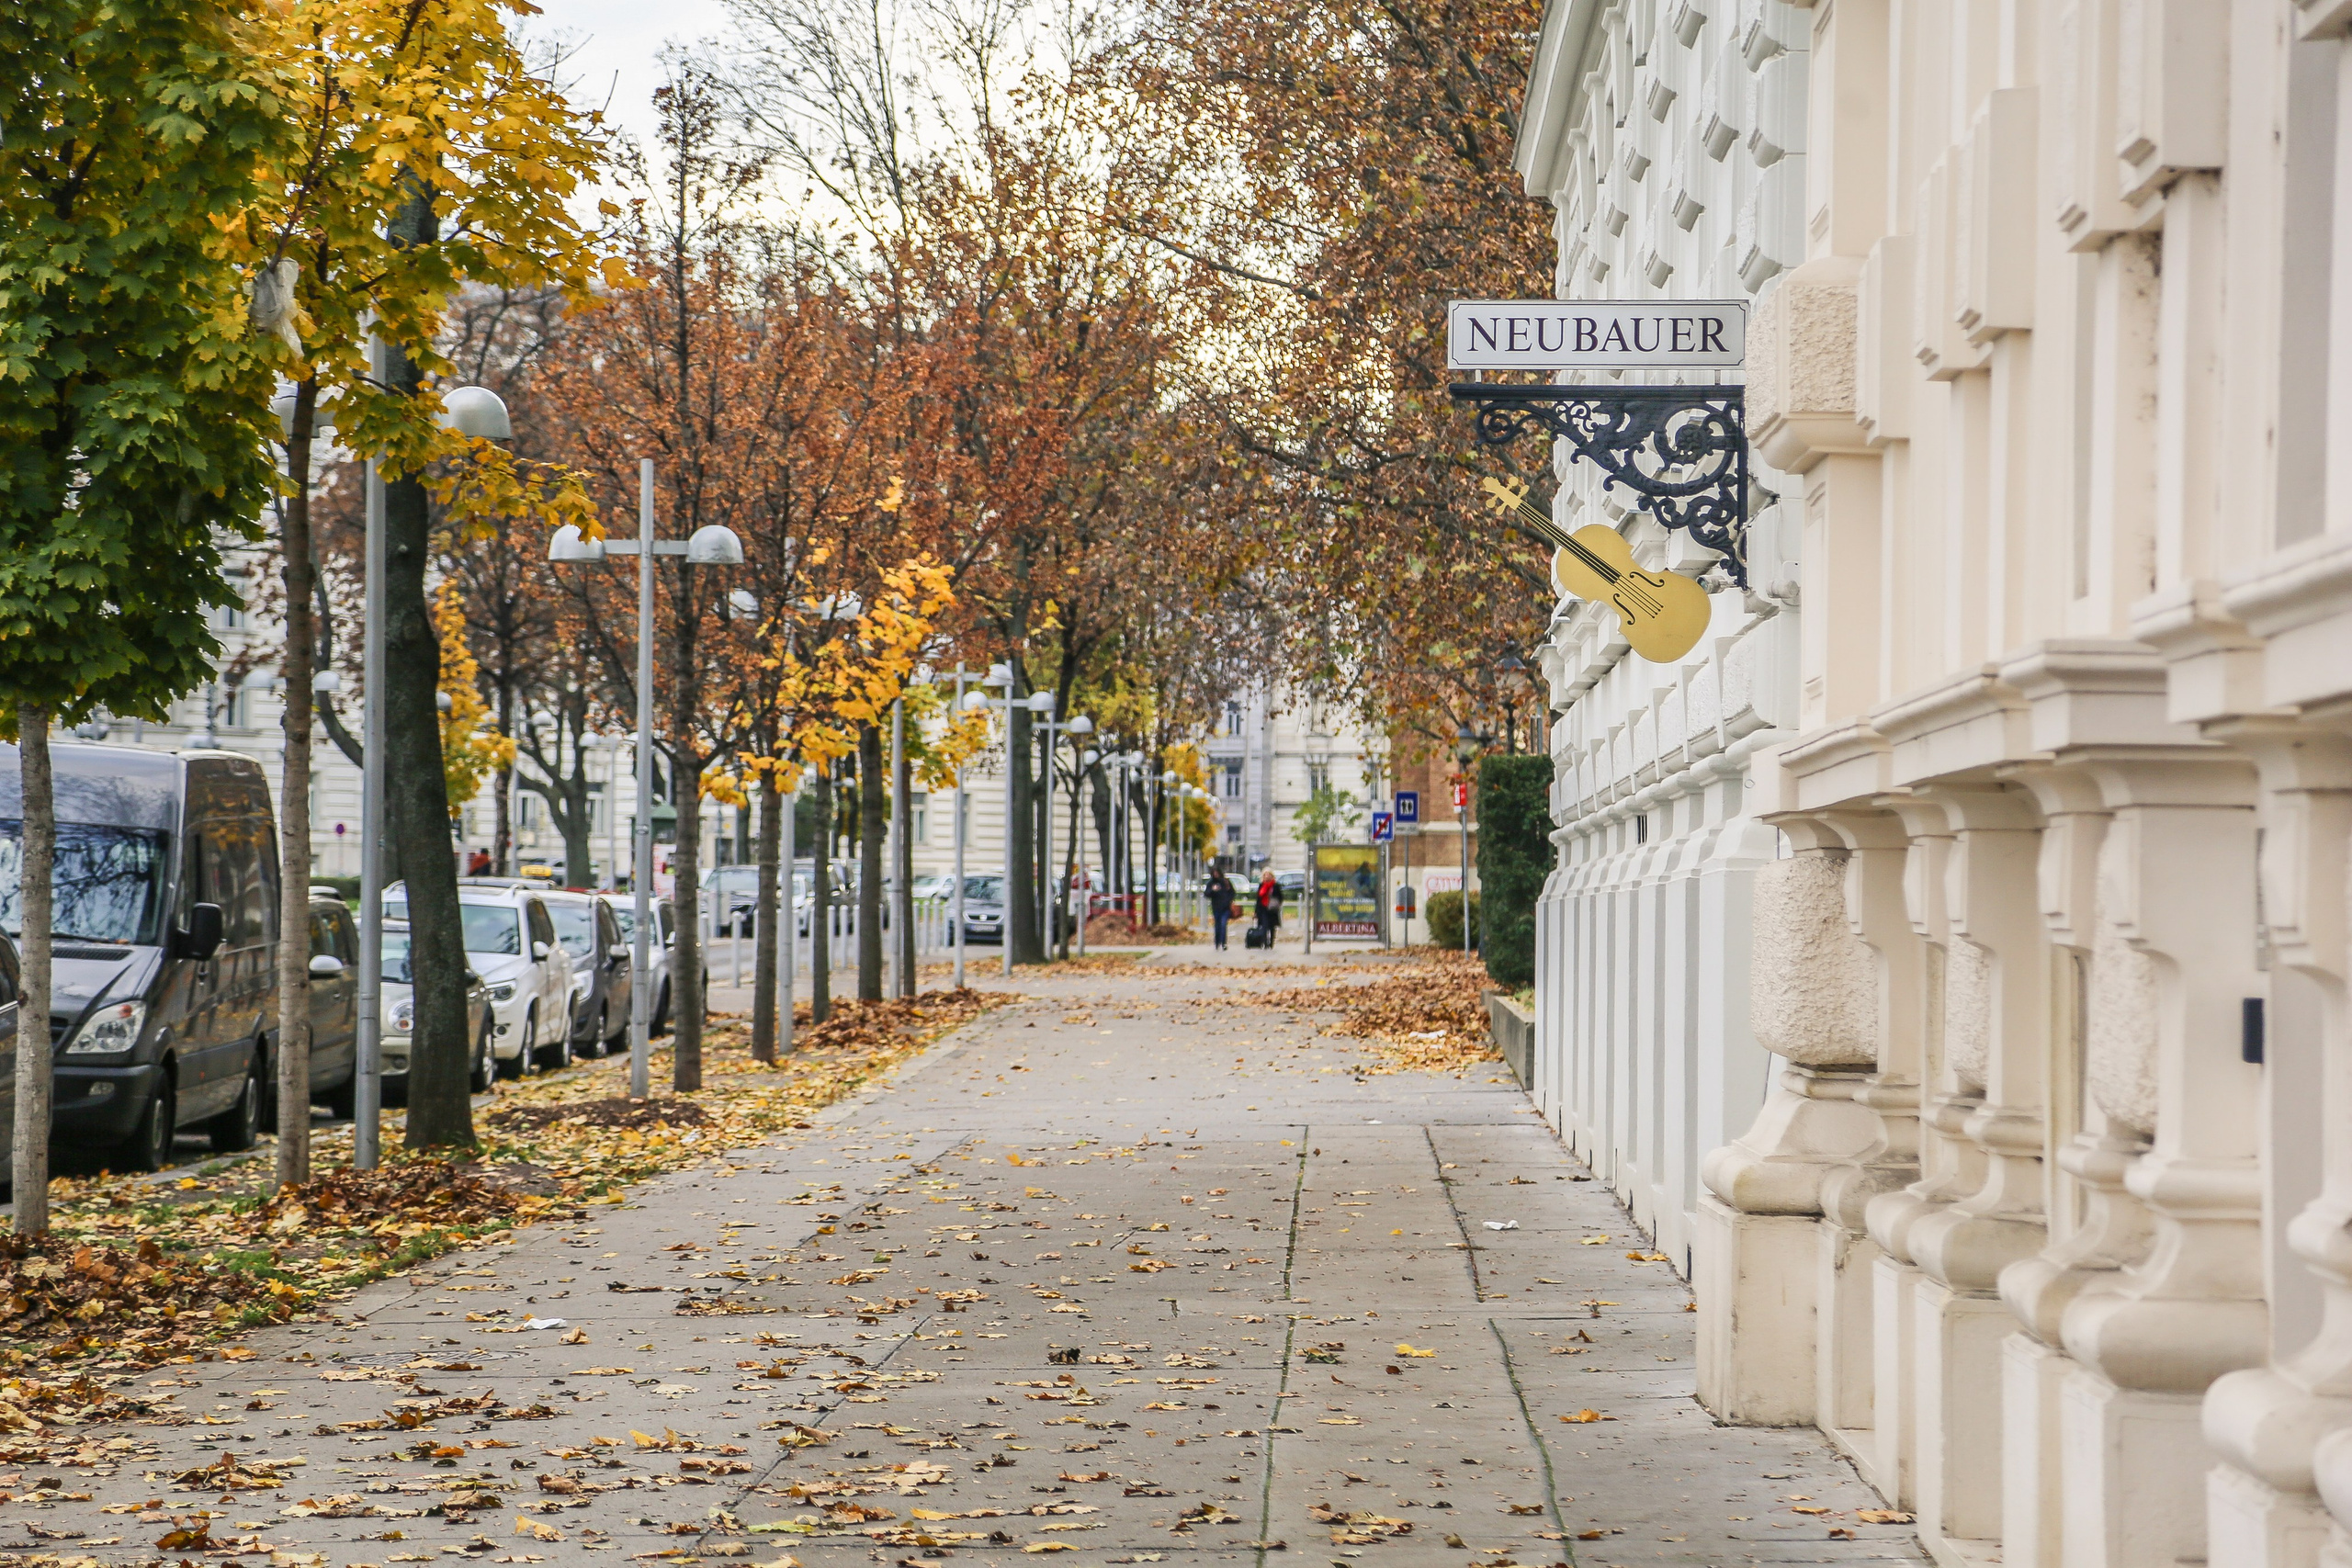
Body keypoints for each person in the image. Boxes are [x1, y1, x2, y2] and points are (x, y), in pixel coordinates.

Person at [1205, 866, 1236, 950]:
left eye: (1217, 873)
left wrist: (1229, 900)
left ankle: (1223, 943)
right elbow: (1206, 894)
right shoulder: (1211, 883)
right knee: (1217, 925)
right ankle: (1217, 942)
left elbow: (1232, 892)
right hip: (1216, 907)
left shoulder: (1225, 882)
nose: (1216, 875)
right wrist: (1213, 890)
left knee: (1223, 924)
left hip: (1225, 907)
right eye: (1214, 873)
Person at [1255, 870, 1282, 942]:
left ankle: (1271, 941)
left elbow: (1280, 897)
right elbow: (1258, 898)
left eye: (1268, 874)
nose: (1267, 876)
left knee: (1272, 926)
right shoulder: (1262, 885)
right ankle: (1264, 941)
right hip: (1263, 908)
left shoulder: (1275, 885)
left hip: (1272, 909)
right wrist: (1256, 912)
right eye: (1265, 875)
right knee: (1264, 925)